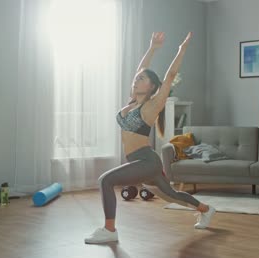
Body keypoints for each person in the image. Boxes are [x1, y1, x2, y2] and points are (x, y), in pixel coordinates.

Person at [84, 32, 216, 244]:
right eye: (136, 79)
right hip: (140, 162)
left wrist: (181, 51)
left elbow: (171, 75)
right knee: (172, 195)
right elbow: (140, 69)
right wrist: (152, 48)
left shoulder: (151, 106)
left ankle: (109, 230)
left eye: (141, 79)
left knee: (105, 181)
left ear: (152, 87)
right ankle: (206, 209)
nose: (136, 80)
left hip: (146, 161)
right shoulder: (132, 102)